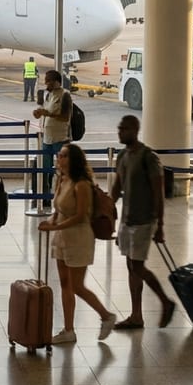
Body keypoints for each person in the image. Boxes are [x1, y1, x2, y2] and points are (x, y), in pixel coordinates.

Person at [37, 144, 118, 343]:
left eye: (64, 155)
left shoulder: (82, 184)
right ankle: (68, 329)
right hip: (63, 236)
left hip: (79, 237)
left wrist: (54, 227)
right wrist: (50, 222)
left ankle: (106, 316)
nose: (59, 158)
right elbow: (58, 209)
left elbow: (81, 216)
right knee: (65, 284)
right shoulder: (61, 179)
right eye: (60, 155)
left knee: (77, 286)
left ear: (73, 160)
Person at [110, 115, 176, 330]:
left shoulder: (148, 157)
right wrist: (106, 212)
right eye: (119, 128)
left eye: (125, 128)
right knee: (131, 266)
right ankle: (136, 315)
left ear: (135, 130)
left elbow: (158, 192)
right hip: (127, 220)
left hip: (144, 220)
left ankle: (165, 302)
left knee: (137, 266)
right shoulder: (121, 156)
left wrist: (161, 225)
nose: (120, 132)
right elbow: (116, 189)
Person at [33, 69, 72, 194]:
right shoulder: (48, 95)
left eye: (48, 81)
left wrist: (49, 114)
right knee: (45, 169)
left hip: (60, 139)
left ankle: (64, 193)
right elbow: (45, 111)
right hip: (47, 139)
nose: (46, 84)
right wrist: (39, 113)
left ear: (56, 82)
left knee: (63, 169)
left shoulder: (65, 95)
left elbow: (65, 117)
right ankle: (45, 195)